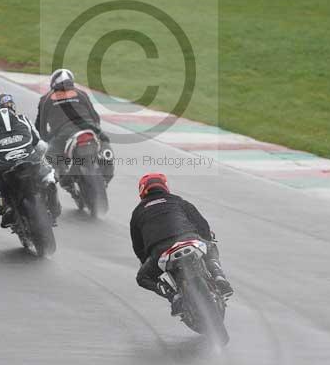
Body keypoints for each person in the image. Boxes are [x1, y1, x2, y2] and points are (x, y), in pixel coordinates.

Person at [130, 173, 233, 314]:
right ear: (164, 186)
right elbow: (202, 224)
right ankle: (218, 275)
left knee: (142, 277)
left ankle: (173, 296)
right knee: (210, 247)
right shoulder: (178, 201)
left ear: (142, 190)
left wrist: (146, 261)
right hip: (189, 238)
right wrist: (206, 238)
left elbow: (138, 246)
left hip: (161, 250)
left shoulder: (137, 212)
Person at [0, 93, 61, 227]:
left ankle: (6, 208)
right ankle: (49, 185)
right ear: (13, 107)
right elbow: (40, 146)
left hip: (3, 166)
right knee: (49, 173)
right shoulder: (24, 120)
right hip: (30, 160)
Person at [35, 69, 114, 186]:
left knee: (50, 161)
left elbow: (40, 126)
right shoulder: (80, 93)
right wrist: (96, 129)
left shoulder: (46, 98)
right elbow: (95, 117)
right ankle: (106, 173)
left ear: (52, 83)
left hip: (63, 134)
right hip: (89, 128)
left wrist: (48, 139)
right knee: (105, 144)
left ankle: (57, 181)